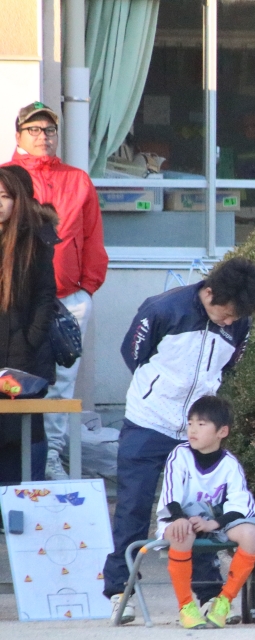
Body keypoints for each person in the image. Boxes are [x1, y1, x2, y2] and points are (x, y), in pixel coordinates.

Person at [104, 257, 255, 624]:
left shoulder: (239, 323)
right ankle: (120, 592)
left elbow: (228, 366)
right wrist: (159, 393)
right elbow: (133, 354)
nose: (230, 322)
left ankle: (207, 594)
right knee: (133, 506)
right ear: (209, 293)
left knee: (199, 510)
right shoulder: (164, 309)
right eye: (226, 314)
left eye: (236, 317)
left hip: (199, 430)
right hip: (148, 421)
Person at [3, 102, 107, 481]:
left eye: (48, 130)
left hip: (68, 300)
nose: (42, 136)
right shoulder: (7, 178)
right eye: (34, 129)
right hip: (17, 305)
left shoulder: (77, 180)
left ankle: (50, 458)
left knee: (60, 384)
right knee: (13, 383)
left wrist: (87, 288)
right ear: (19, 135)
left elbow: (92, 236)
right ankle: (17, 466)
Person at [157, 396, 255, 629]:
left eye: (201, 424)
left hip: (215, 522)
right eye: (190, 423)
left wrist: (213, 524)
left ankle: (223, 601)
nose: (193, 430)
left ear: (222, 431)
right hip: (179, 519)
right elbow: (170, 496)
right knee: (182, 532)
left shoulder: (230, 464)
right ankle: (186, 606)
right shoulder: (180, 454)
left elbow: (241, 505)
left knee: (251, 534)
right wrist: (180, 518)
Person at [0, 167, 57, 483]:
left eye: (5, 196)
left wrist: (30, 339)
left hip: (20, 358)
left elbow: (45, 296)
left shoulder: (34, 241)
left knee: (19, 432)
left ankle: (18, 502)